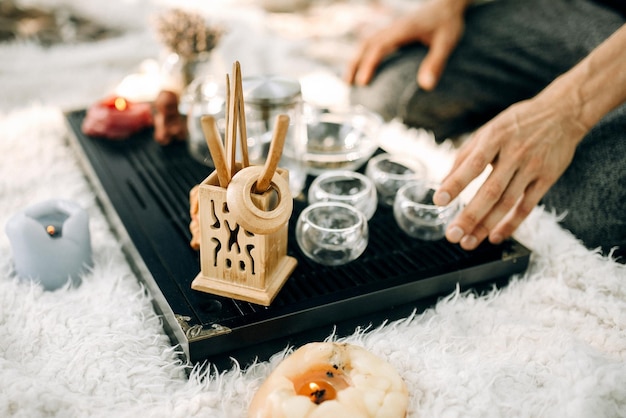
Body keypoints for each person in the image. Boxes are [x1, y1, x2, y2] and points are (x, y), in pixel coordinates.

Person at [344, 0, 626, 258]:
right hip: (576, 10)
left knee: (602, 205)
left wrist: (566, 110)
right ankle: (529, 108)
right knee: (379, 90)